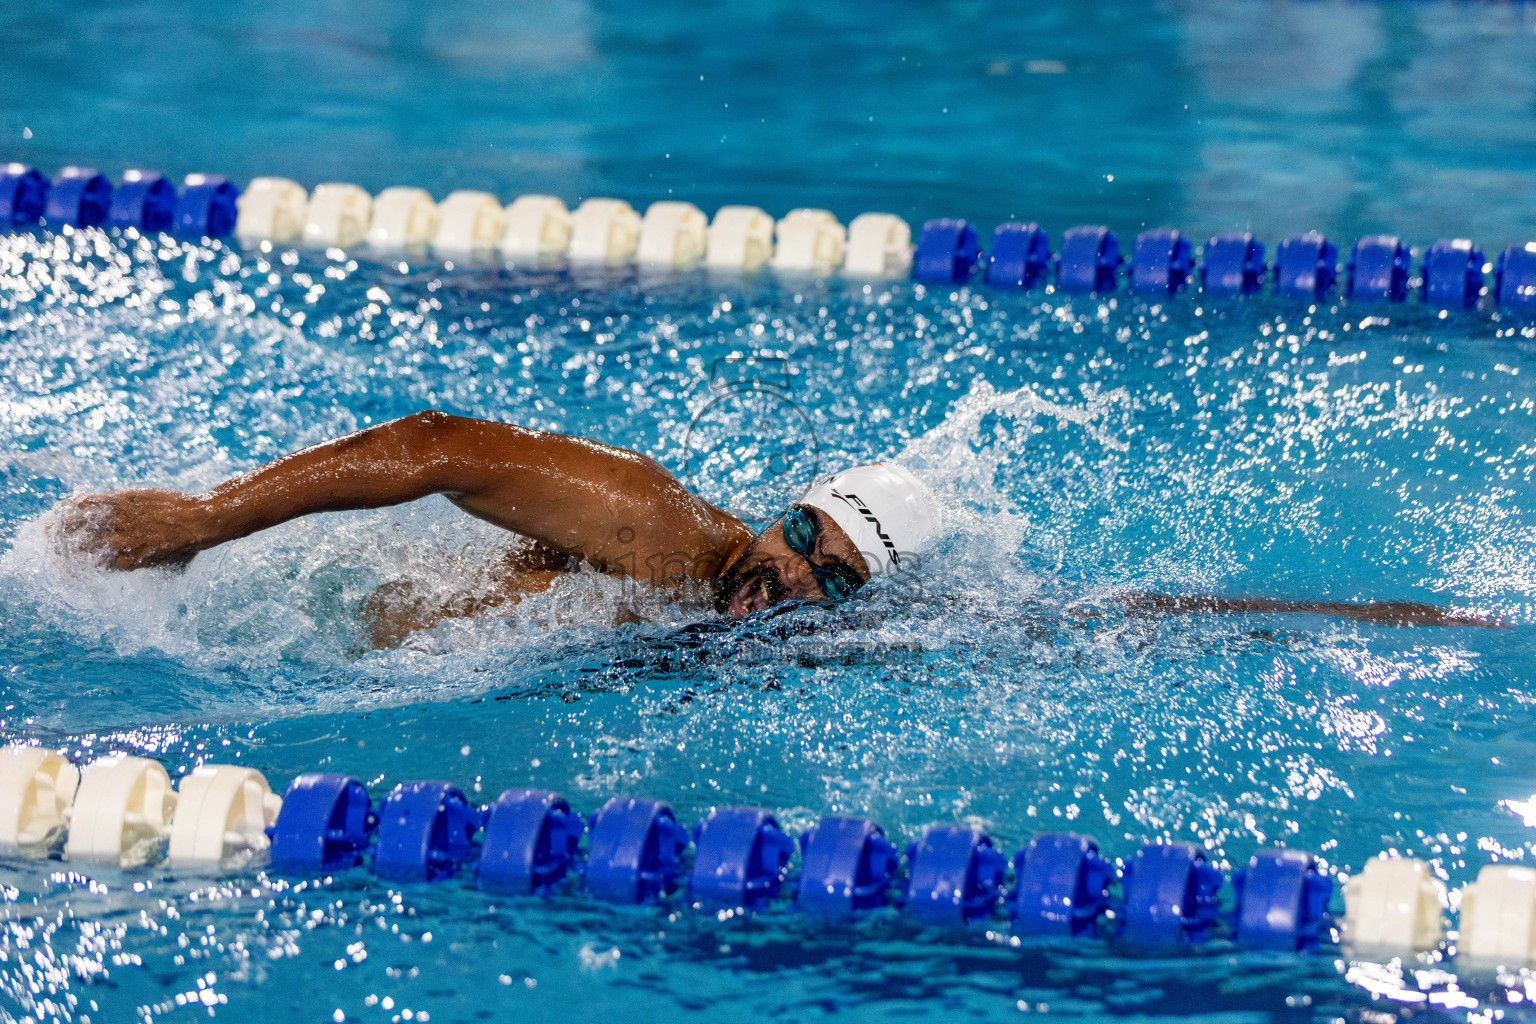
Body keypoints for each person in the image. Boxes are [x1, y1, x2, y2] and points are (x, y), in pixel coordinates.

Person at [53, 411, 1498, 646]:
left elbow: (1120, 615)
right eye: (804, 532)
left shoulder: (834, 636)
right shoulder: (671, 533)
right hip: (314, 624)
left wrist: (1393, 618)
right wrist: (205, 522)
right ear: (790, 502)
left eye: (831, 574)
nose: (790, 571)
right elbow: (442, 447)